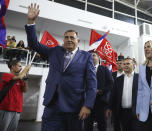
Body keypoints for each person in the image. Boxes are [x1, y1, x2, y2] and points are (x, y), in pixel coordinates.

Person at [25, 3, 97, 131]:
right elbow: (34, 44)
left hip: (74, 107)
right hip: (52, 104)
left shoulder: (87, 57)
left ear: (78, 41)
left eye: (72, 37)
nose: (69, 40)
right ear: (63, 40)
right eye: (66, 37)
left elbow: (92, 84)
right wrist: (31, 21)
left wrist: (88, 105)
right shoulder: (55, 51)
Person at [106, 58, 139, 131]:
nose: (125, 65)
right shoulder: (118, 79)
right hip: (123, 112)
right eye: (124, 64)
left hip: (136, 112)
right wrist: (109, 108)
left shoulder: (139, 78)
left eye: (128, 63)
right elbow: (113, 95)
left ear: (133, 65)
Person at [84, 52, 113, 131]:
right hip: (87, 103)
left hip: (101, 102)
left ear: (98, 58)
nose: (91, 57)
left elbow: (110, 84)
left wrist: (100, 91)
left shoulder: (104, 69)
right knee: (87, 125)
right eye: (89, 56)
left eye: (93, 55)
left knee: (102, 125)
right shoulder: (85, 70)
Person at [0, 60, 31, 131]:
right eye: (19, 66)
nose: (21, 68)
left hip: (17, 109)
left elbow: (25, 90)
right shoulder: (6, 75)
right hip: (6, 109)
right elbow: (20, 77)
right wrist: (26, 68)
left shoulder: (19, 80)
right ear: (13, 67)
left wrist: (26, 77)